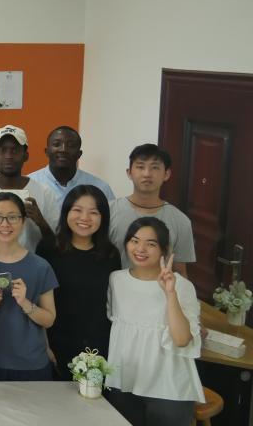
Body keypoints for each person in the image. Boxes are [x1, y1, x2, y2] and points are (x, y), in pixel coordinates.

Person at [105, 217, 204, 425]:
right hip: (124, 381)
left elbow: (181, 339)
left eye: (151, 244)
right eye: (134, 241)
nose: (140, 249)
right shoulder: (116, 279)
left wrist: (170, 293)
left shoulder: (181, 286)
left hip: (168, 388)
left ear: (164, 250)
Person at [37, 185, 120, 379]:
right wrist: (44, 344)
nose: (85, 218)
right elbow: (38, 298)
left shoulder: (110, 254)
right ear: (66, 212)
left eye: (94, 212)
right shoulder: (48, 248)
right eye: (77, 210)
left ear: (103, 217)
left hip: (97, 346)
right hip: (54, 343)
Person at [0, 192, 58, 381]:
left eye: (12, 217)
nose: (5, 224)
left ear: (23, 221)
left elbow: (49, 319)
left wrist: (25, 303)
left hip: (32, 363)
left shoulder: (41, 266)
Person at [108, 144, 194, 275]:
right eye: (140, 167)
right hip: (112, 286)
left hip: (159, 288)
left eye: (155, 167)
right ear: (129, 173)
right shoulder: (109, 211)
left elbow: (180, 272)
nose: (147, 174)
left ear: (166, 174)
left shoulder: (180, 221)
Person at [28, 126, 116, 208]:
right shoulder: (29, 184)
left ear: (79, 154)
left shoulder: (100, 187)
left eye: (71, 145)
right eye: (56, 144)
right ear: (46, 151)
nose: (63, 149)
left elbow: (112, 218)